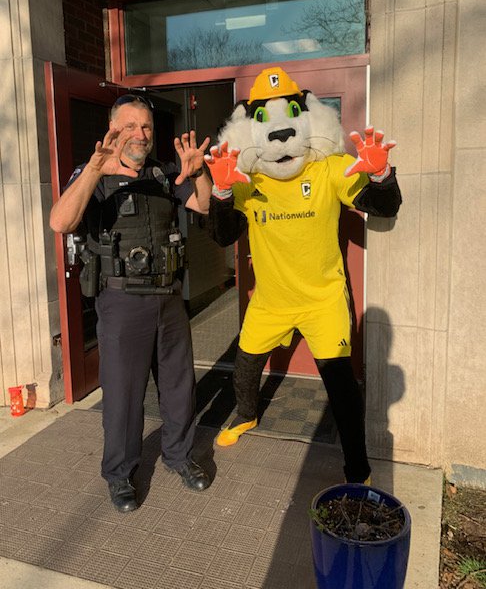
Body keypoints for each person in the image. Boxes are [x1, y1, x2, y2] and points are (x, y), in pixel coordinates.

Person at [206, 67, 402, 485]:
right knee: (245, 364)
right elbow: (223, 235)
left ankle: (358, 468)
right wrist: (221, 194)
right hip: (271, 300)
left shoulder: (329, 168)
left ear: (308, 117)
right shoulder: (248, 178)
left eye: (291, 114)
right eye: (265, 121)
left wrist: (382, 177)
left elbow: (384, 208)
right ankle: (247, 416)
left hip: (322, 300)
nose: (279, 135)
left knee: (341, 385)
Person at [50, 94, 213, 511]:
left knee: (178, 387)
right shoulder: (92, 175)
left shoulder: (162, 173)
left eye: (145, 127)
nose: (140, 135)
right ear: (113, 130)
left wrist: (199, 173)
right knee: (123, 395)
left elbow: (203, 203)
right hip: (122, 303)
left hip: (169, 299)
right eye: (130, 127)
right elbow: (61, 221)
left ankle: (179, 456)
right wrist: (93, 170)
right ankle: (120, 474)